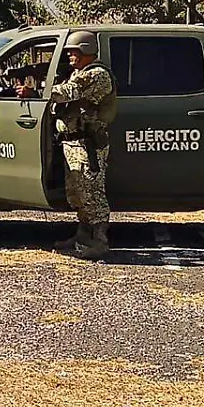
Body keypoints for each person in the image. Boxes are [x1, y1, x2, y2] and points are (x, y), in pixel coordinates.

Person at [49, 30, 118, 261]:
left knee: (92, 192)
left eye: (74, 51)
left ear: (87, 50)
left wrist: (42, 88)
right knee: (77, 194)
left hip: (87, 144)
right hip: (73, 143)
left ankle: (99, 242)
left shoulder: (97, 75)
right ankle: (82, 236)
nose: (70, 55)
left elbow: (69, 93)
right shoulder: (78, 73)